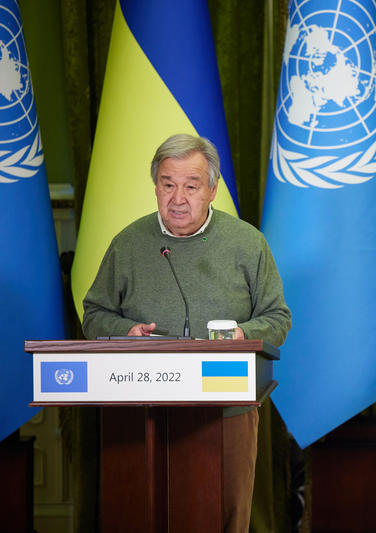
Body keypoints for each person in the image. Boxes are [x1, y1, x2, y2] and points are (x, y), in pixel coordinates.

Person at [82, 133, 292, 533]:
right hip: (140, 407)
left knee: (225, 515)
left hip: (227, 406)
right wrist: (126, 330)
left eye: (191, 186)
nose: (177, 198)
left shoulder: (247, 244)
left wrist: (240, 336)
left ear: (212, 190)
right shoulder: (128, 243)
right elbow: (95, 313)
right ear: (156, 186)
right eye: (167, 184)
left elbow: (277, 317)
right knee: (140, 511)